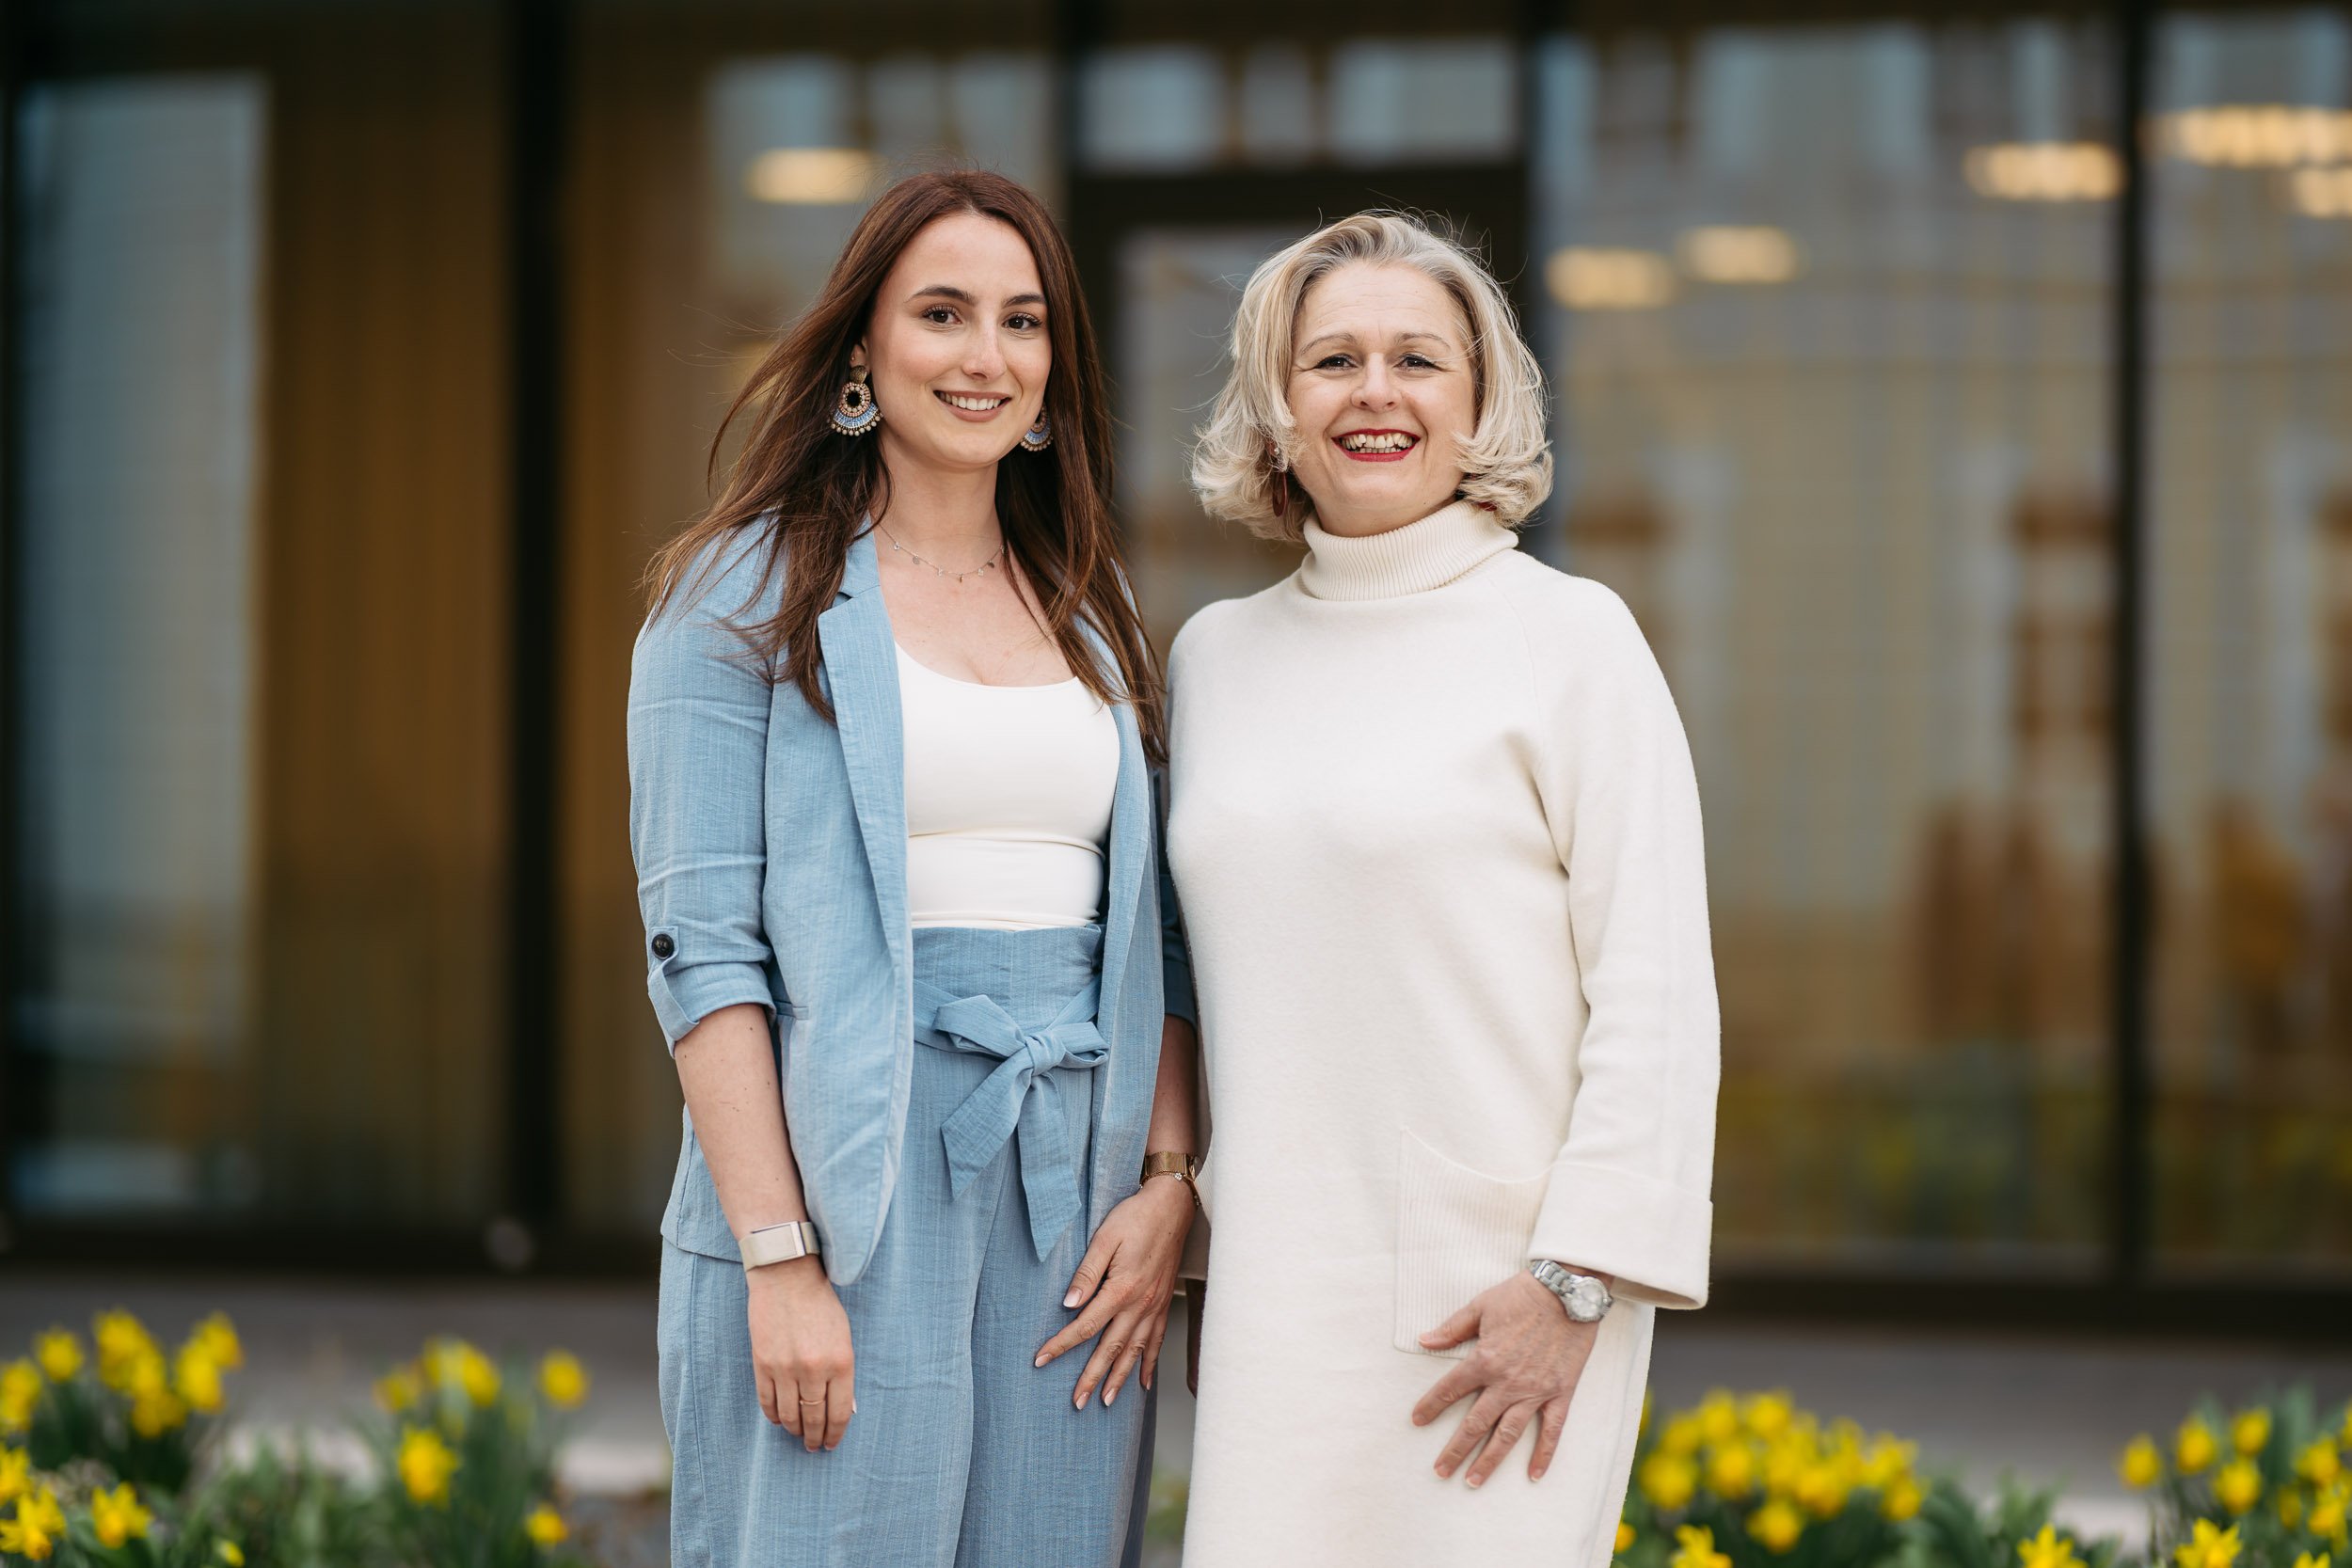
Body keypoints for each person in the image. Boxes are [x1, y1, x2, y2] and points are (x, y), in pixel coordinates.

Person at [628, 169, 1201, 1568]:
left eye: (1022, 321)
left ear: (1056, 370)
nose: (984, 356)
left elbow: (1162, 940)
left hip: (1074, 1207)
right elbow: (702, 952)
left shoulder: (1096, 615)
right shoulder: (738, 599)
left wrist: (1169, 1181)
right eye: (941, 313)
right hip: (843, 1180)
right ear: (862, 354)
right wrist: (778, 1258)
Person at [1168, 212, 1720, 1565]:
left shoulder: (1571, 639)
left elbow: (1655, 989)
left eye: (1418, 359)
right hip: (1272, 1298)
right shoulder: (1213, 658)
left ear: (1480, 405)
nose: (1375, 392)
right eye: (1332, 360)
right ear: (1276, 408)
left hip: (1501, 1302)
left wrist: (1576, 1282)